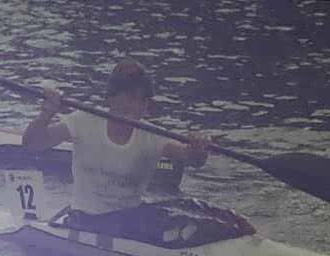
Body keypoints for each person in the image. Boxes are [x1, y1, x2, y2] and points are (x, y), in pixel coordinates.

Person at [22, 59, 212, 243]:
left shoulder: (152, 135)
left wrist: (198, 148)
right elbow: (32, 143)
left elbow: (191, 159)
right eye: (131, 98)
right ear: (112, 97)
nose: (137, 108)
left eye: (143, 101)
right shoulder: (84, 121)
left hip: (128, 222)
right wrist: (48, 112)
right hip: (84, 219)